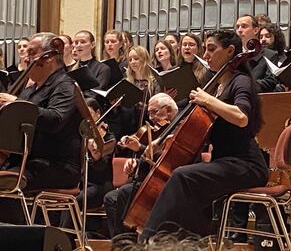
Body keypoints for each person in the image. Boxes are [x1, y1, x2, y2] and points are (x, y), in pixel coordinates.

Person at [139, 29, 268, 239]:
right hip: (225, 162)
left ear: (230, 51)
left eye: (211, 49)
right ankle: (190, 241)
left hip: (246, 165)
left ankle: (147, 239)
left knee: (182, 176)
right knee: (187, 183)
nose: (205, 55)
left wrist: (207, 100)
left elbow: (242, 117)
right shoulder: (215, 84)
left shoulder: (240, 81)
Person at [0, 32, 82, 222]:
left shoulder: (65, 85)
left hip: (57, 165)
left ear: (50, 58)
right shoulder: (30, 90)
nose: (26, 58)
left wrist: (18, 104)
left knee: (5, 183)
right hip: (27, 162)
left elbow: (55, 120)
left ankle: (15, 239)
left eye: (32, 52)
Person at [104, 93, 178, 237]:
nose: (150, 117)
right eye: (149, 112)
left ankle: (126, 242)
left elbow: (166, 160)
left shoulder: (178, 132)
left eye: (154, 112)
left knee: (124, 193)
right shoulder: (159, 131)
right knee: (111, 198)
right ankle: (123, 242)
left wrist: (141, 149)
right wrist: (136, 163)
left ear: (168, 110)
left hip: (166, 183)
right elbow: (150, 160)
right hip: (150, 181)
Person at [60, 97, 115, 229]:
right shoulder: (78, 134)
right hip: (79, 183)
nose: (86, 119)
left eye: (89, 114)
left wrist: (96, 157)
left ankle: (64, 239)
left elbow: (103, 168)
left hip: (98, 186)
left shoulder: (108, 137)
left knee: (73, 201)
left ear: (98, 113)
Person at [235, 14, 278, 92]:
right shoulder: (232, 54)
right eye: (237, 27)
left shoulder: (270, 55)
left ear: (255, 30)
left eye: (244, 26)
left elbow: (270, 82)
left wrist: (245, 85)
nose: (239, 30)